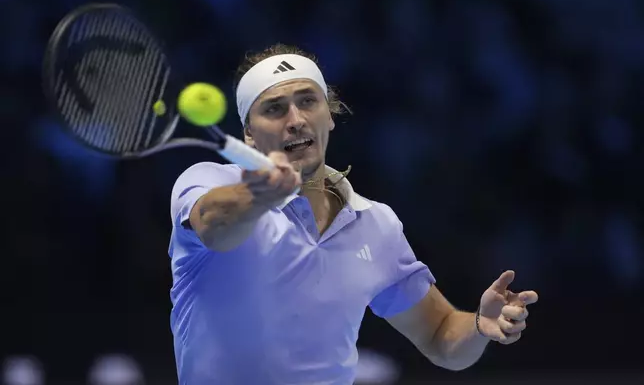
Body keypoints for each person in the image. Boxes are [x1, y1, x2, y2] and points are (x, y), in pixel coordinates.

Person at [168, 44, 539, 385]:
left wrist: (478, 325)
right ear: (249, 133)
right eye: (274, 108)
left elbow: (440, 334)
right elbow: (212, 225)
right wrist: (258, 194)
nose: (295, 119)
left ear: (328, 116)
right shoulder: (208, 181)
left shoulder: (376, 224)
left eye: (307, 101)